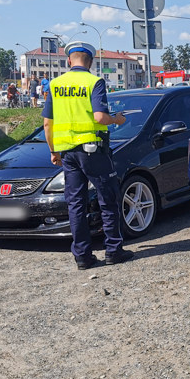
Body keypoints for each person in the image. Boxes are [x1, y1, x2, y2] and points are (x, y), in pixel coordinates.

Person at [42, 41, 133, 270]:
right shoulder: (94, 82)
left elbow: (47, 123)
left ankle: (83, 256)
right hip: (93, 150)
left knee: (76, 204)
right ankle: (113, 250)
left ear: (69, 61)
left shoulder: (55, 84)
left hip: (68, 153)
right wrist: (117, 120)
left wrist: (54, 151)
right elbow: (101, 117)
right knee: (108, 198)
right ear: (90, 62)